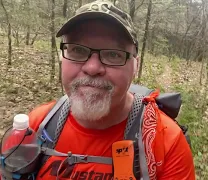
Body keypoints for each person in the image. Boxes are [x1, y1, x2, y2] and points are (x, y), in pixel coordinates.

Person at [24, 0, 195, 179]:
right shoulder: (36, 126)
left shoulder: (166, 142)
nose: (92, 68)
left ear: (135, 66)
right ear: (62, 57)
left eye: (113, 54)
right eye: (77, 50)